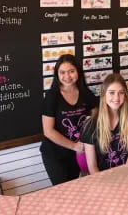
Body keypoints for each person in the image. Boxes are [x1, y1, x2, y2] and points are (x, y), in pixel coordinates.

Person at [40, 54, 99, 185]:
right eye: (62, 72)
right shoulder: (52, 96)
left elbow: (96, 115)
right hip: (55, 153)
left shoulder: (86, 93)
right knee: (62, 189)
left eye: (71, 71)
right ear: (57, 74)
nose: (67, 76)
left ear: (78, 72)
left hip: (77, 154)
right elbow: (48, 131)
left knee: (72, 186)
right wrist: (74, 146)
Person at [80, 74, 128, 173]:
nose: (116, 98)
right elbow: (93, 168)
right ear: (104, 95)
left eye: (121, 93)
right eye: (112, 93)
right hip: (102, 178)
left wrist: (125, 177)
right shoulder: (90, 125)